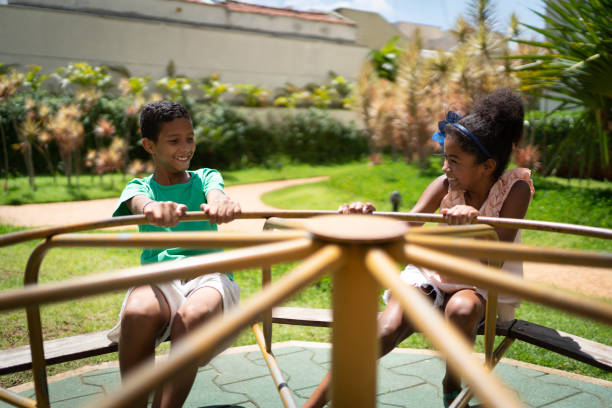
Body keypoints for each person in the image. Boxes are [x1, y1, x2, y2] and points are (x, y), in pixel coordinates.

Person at [303, 89, 534, 408]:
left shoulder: (515, 189)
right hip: (432, 274)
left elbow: (494, 260)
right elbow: (404, 224)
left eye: (454, 160)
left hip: (478, 281)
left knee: (462, 310)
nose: (444, 168)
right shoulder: (445, 187)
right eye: (444, 158)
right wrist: (366, 216)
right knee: (383, 331)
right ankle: (311, 405)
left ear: (487, 165)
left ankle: (452, 381)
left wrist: (474, 226)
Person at [106, 100, 242, 408]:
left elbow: (217, 193)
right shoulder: (139, 187)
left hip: (209, 274)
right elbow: (140, 203)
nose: (185, 147)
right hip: (159, 276)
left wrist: (221, 203)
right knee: (137, 314)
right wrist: (153, 208)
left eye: (190, 138)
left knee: (191, 317)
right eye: (174, 140)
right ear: (149, 145)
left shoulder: (205, 177)